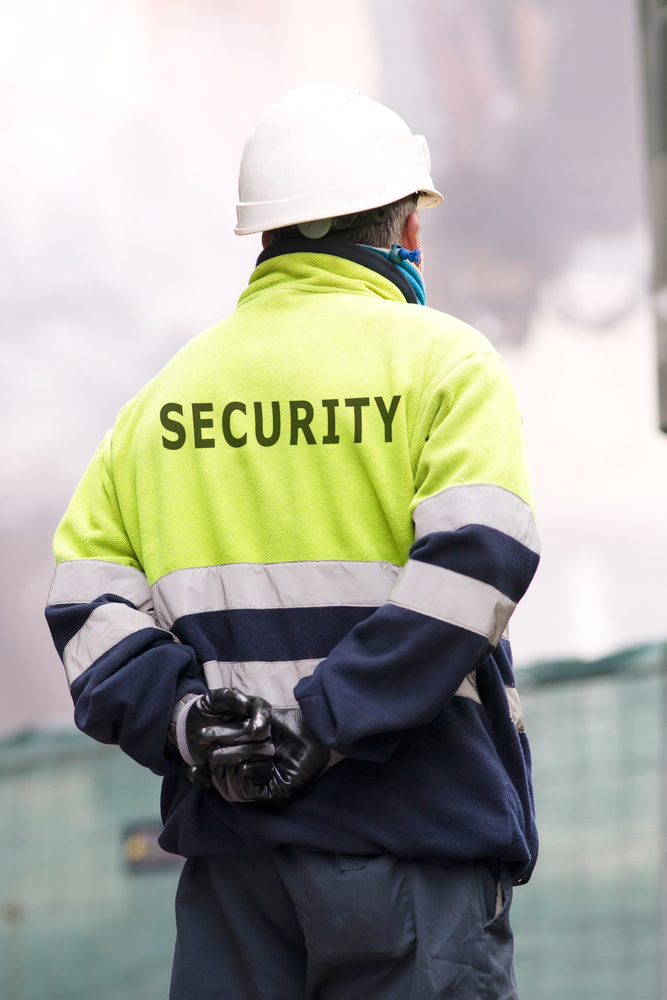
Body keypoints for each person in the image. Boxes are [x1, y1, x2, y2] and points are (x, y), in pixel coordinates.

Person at [45, 85, 540, 1000]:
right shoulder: (444, 364)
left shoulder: (160, 402)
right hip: (413, 846)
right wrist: (322, 723)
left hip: (237, 875)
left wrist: (194, 725)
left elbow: (85, 607)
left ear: (265, 235)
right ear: (406, 228)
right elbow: (480, 564)